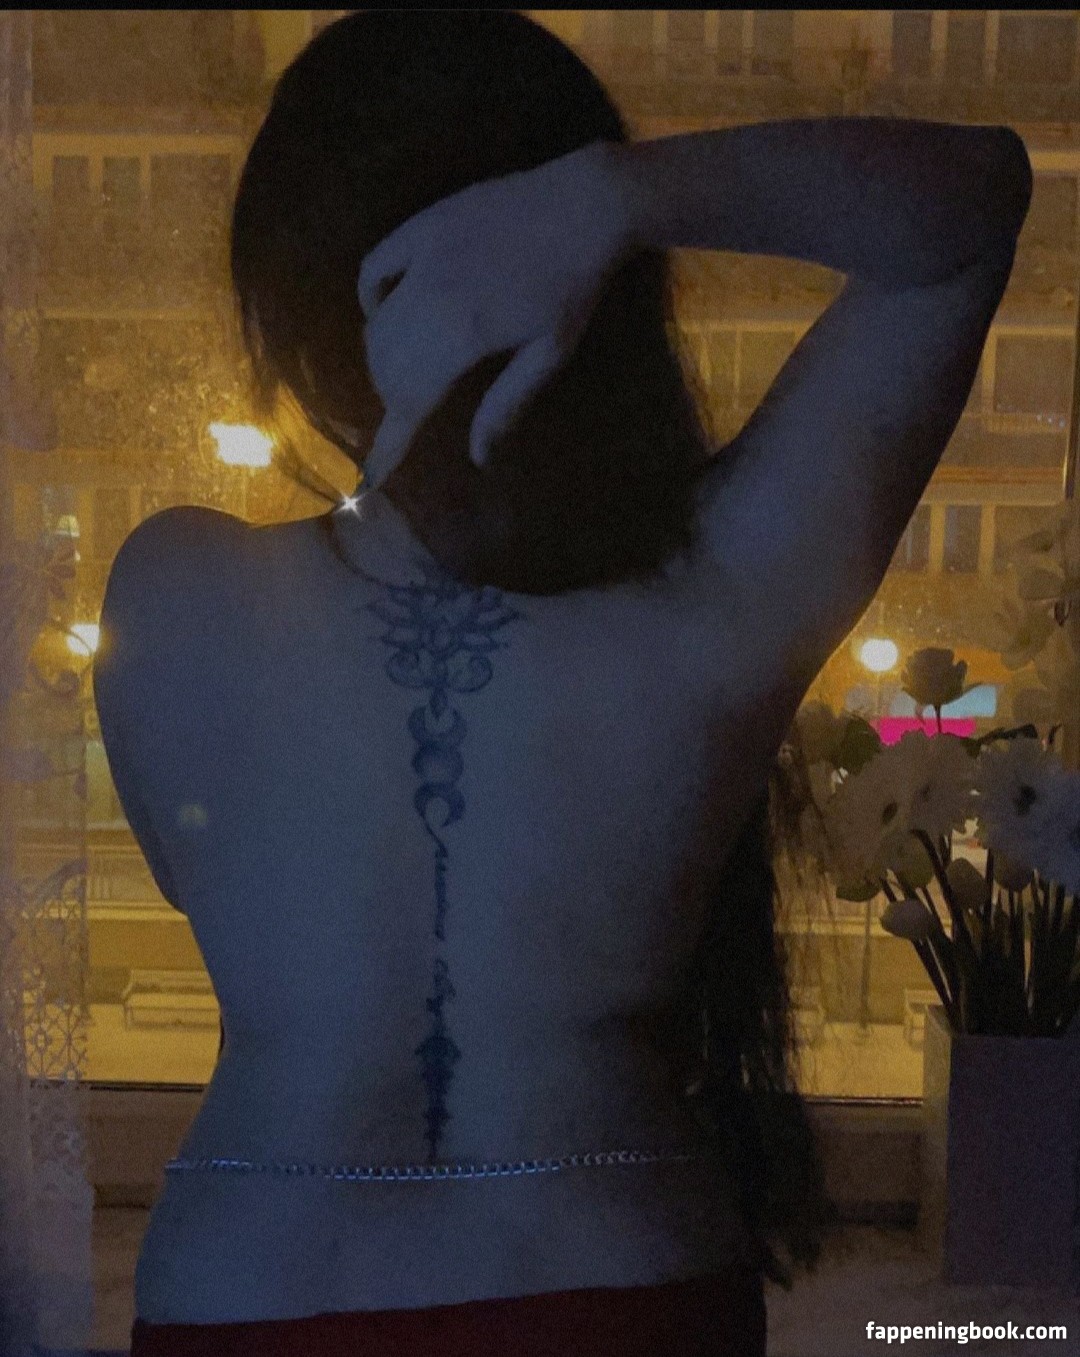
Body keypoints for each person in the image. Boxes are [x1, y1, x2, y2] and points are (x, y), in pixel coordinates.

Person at [92, 11, 1032, 1356]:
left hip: (252, 1280)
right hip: (615, 1276)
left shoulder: (173, 592)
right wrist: (613, 201)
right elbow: (970, 206)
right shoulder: (723, 585)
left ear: (292, 313)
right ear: (609, 296)